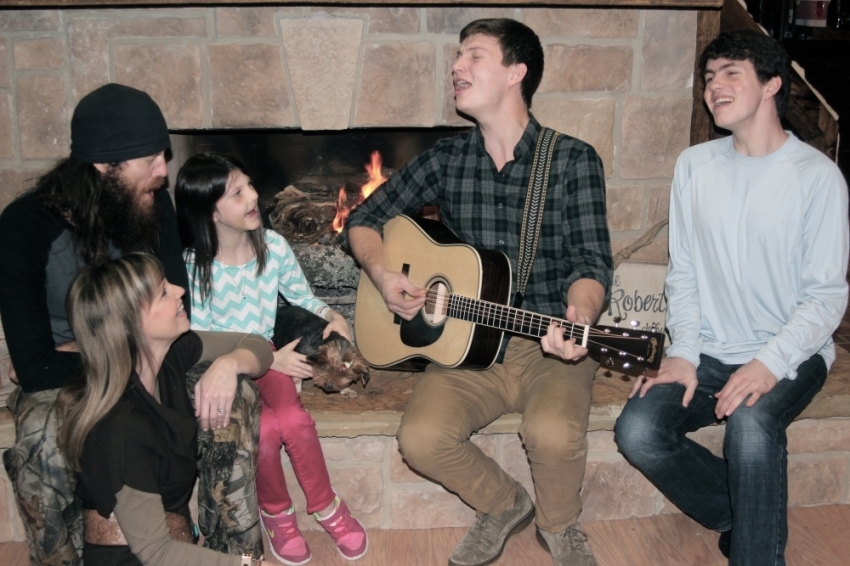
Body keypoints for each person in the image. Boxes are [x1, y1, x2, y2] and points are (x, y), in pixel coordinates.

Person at [345, 18, 612, 566]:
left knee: (552, 434)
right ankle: (503, 503)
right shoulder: (447, 159)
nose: (457, 67)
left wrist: (580, 318)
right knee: (419, 439)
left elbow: (591, 261)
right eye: (457, 56)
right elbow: (365, 220)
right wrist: (382, 276)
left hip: (547, 341)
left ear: (517, 72)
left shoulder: (571, 160)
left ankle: (559, 526)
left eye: (474, 56)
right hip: (467, 345)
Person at [614, 30, 849, 566]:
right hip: (712, 351)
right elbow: (686, 273)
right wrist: (684, 353)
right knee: (639, 429)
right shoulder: (695, 166)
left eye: (730, 73)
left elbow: (825, 297)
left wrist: (768, 364)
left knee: (750, 423)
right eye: (708, 76)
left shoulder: (817, 178)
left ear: (772, 85)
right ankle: (738, 512)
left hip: (792, 351)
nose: (713, 86)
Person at [0, 84, 260, 565]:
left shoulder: (153, 204)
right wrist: (107, 356)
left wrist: (227, 362)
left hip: (146, 355)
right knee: (39, 441)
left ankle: (234, 555)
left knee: (234, 400)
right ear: (105, 166)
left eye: (164, 154)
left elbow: (181, 312)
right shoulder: (24, 226)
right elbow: (34, 367)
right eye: (150, 161)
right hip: (73, 379)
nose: (164, 172)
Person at [176, 153, 368, 565]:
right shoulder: (195, 267)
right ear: (210, 212)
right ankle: (277, 514)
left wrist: (334, 316)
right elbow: (201, 339)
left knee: (294, 421)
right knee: (261, 432)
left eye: (249, 185)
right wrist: (267, 358)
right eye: (238, 192)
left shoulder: (273, 246)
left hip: (271, 358)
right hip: (227, 368)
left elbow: (302, 297)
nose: (253, 197)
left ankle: (326, 505)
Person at [58, 253, 273, 566]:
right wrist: (250, 565)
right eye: (163, 292)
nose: (180, 291)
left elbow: (256, 344)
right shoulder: (119, 428)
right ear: (130, 322)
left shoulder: (172, 356)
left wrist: (229, 364)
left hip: (174, 550)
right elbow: (156, 553)